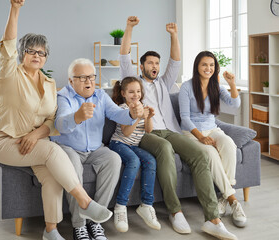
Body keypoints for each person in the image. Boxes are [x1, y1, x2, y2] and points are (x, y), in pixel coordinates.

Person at [0, 1, 112, 240]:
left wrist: (36, 134)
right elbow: (8, 45)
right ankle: (85, 201)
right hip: (6, 142)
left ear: (46, 57)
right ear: (22, 54)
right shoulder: (9, 74)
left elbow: (52, 120)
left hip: (32, 144)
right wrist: (15, 9)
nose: (37, 55)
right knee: (54, 153)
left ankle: (51, 230)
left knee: (53, 179)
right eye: (31, 51)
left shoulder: (49, 84)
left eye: (41, 52)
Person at [119, 16, 237, 240]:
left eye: (156, 63)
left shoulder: (164, 82)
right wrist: (129, 28)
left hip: (171, 131)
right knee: (164, 148)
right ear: (141, 66)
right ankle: (175, 211)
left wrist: (174, 35)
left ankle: (213, 219)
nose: (154, 66)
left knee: (200, 154)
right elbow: (124, 56)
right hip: (147, 133)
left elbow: (175, 61)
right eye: (150, 63)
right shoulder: (134, 83)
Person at [51, 58, 144, 240]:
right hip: (69, 147)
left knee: (113, 159)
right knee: (72, 165)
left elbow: (117, 114)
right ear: (71, 81)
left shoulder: (100, 95)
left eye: (92, 77)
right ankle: (79, 226)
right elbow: (60, 124)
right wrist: (77, 116)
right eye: (83, 78)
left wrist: (132, 113)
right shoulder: (64, 96)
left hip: (95, 149)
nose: (89, 82)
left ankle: (95, 221)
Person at [179, 51, 246, 228]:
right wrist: (200, 137)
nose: (208, 68)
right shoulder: (186, 87)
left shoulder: (216, 86)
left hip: (212, 128)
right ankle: (233, 201)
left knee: (229, 145)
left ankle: (224, 196)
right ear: (197, 67)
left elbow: (235, 105)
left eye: (211, 65)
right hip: (191, 132)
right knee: (211, 154)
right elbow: (184, 118)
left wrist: (231, 83)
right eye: (204, 65)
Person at [108, 77, 160, 232]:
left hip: (133, 145)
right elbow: (125, 132)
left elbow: (148, 130)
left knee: (150, 160)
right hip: (118, 143)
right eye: (131, 92)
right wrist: (137, 116)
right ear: (124, 93)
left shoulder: (143, 107)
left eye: (138, 91)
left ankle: (146, 204)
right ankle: (120, 206)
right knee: (134, 161)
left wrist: (148, 117)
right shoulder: (123, 109)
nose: (135, 94)